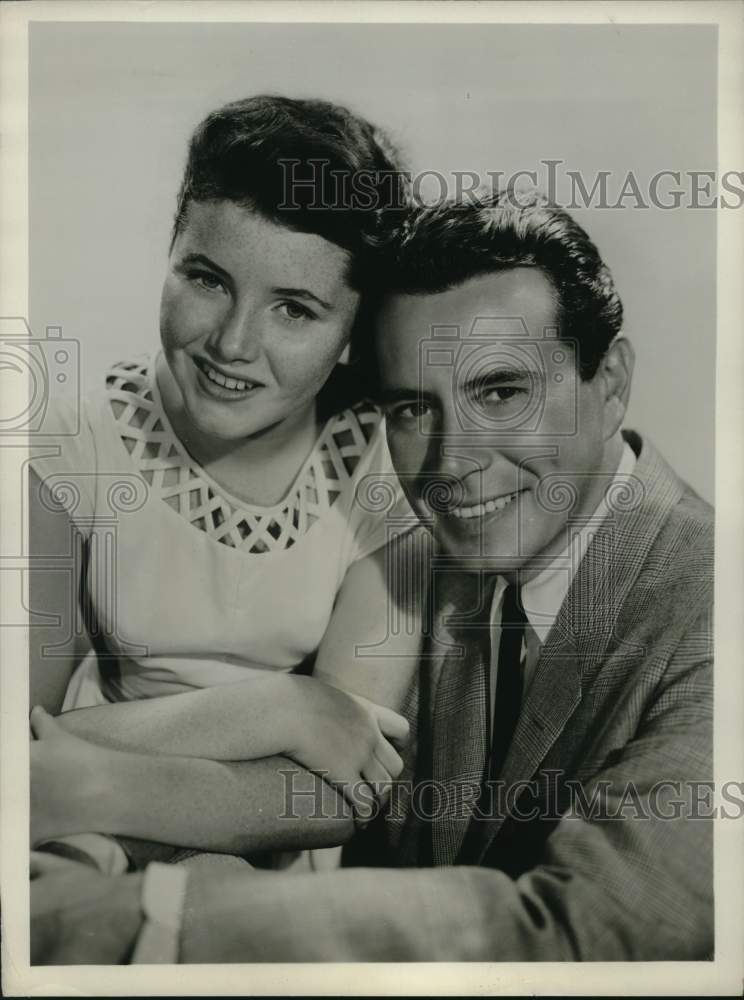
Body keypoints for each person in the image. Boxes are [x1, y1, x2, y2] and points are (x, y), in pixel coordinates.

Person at [30, 190, 713, 961]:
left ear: (612, 379)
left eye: (501, 392)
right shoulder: (435, 558)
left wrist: (148, 917)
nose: (453, 461)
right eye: (413, 409)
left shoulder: (716, 614)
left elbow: (591, 933)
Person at [28, 94, 423, 874]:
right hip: (66, 839)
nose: (233, 344)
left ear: (353, 332)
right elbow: (11, 749)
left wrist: (97, 787)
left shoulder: (391, 475)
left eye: (295, 310)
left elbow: (341, 794)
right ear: (169, 253)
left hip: (260, 863)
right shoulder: (70, 444)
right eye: (207, 280)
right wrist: (285, 708)